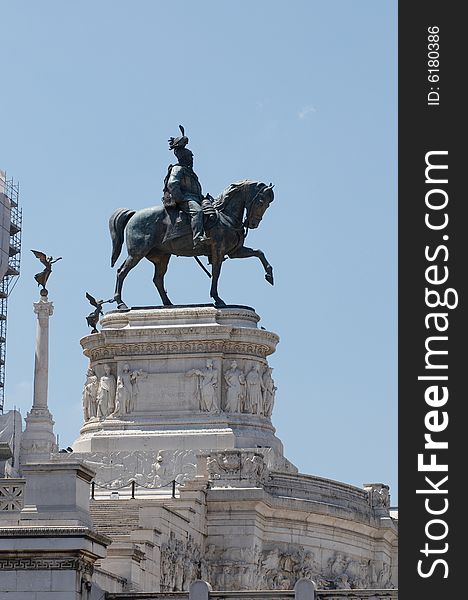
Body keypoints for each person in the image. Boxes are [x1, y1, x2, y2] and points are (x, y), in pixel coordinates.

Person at [164, 125, 206, 249]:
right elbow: (172, 184)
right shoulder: (178, 169)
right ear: (184, 157)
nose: (192, 159)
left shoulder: (190, 171)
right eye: (190, 156)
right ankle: (197, 238)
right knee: (197, 211)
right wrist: (180, 198)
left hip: (196, 198)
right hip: (185, 199)